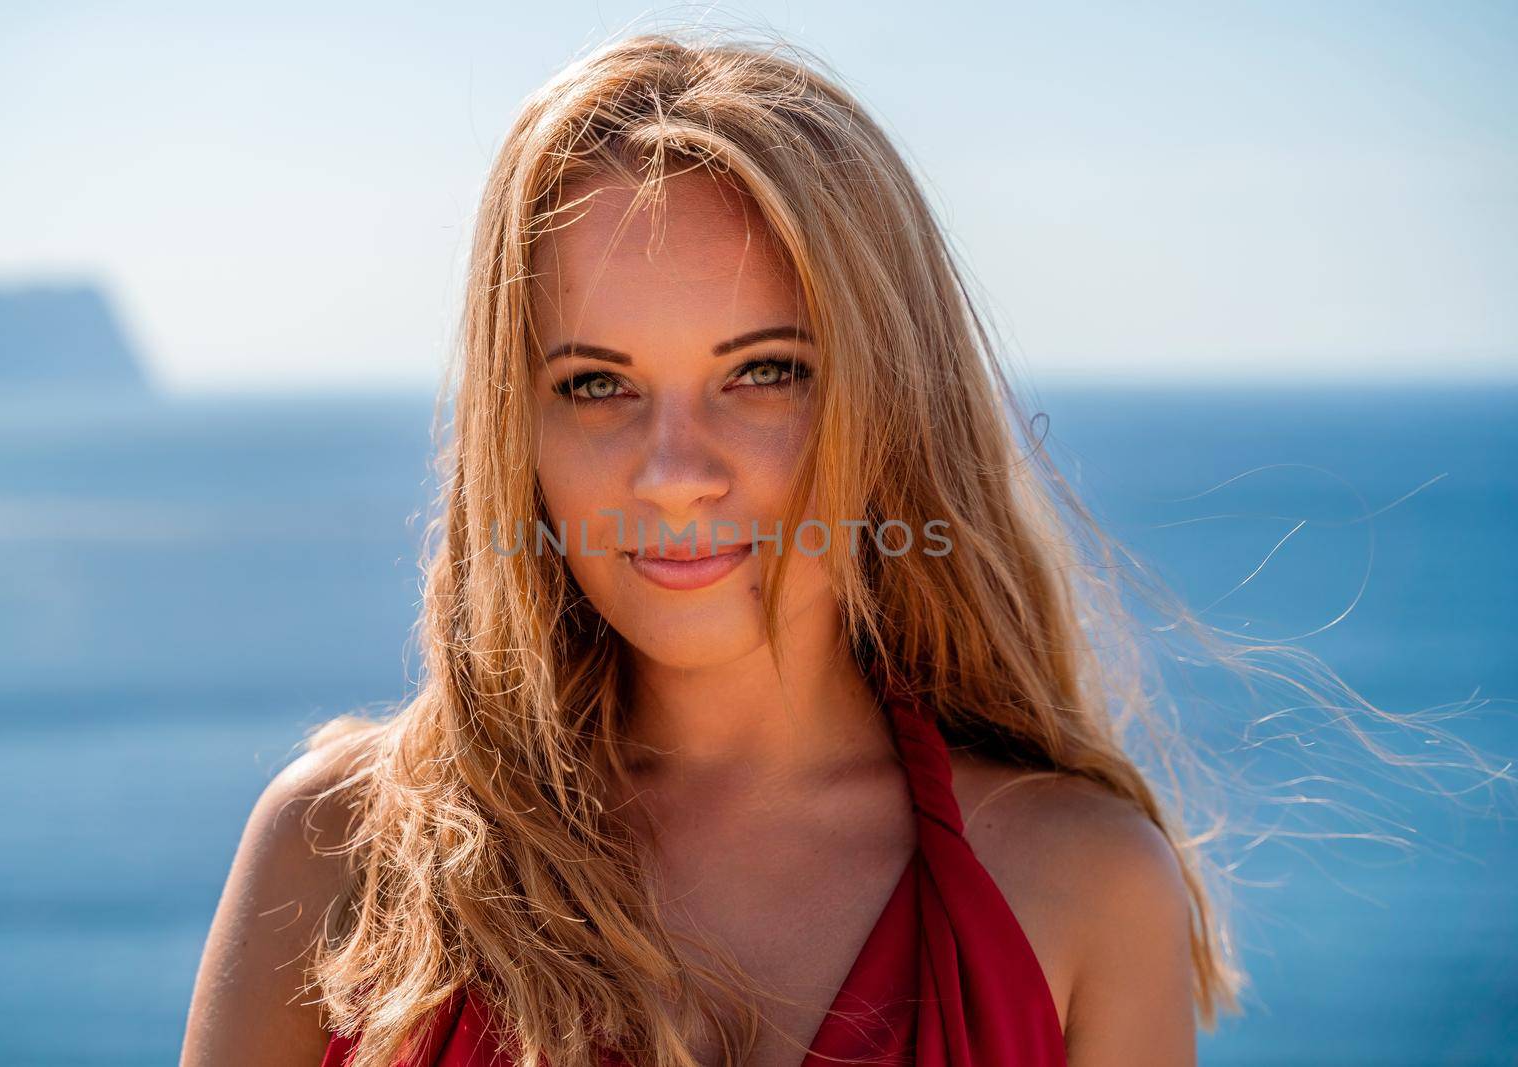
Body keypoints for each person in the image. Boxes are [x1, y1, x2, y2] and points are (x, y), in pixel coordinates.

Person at [181, 29, 1233, 1067]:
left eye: (763, 370)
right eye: (596, 383)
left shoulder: (1083, 888)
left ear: (894, 402)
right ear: (518, 435)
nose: (674, 470)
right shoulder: (337, 858)